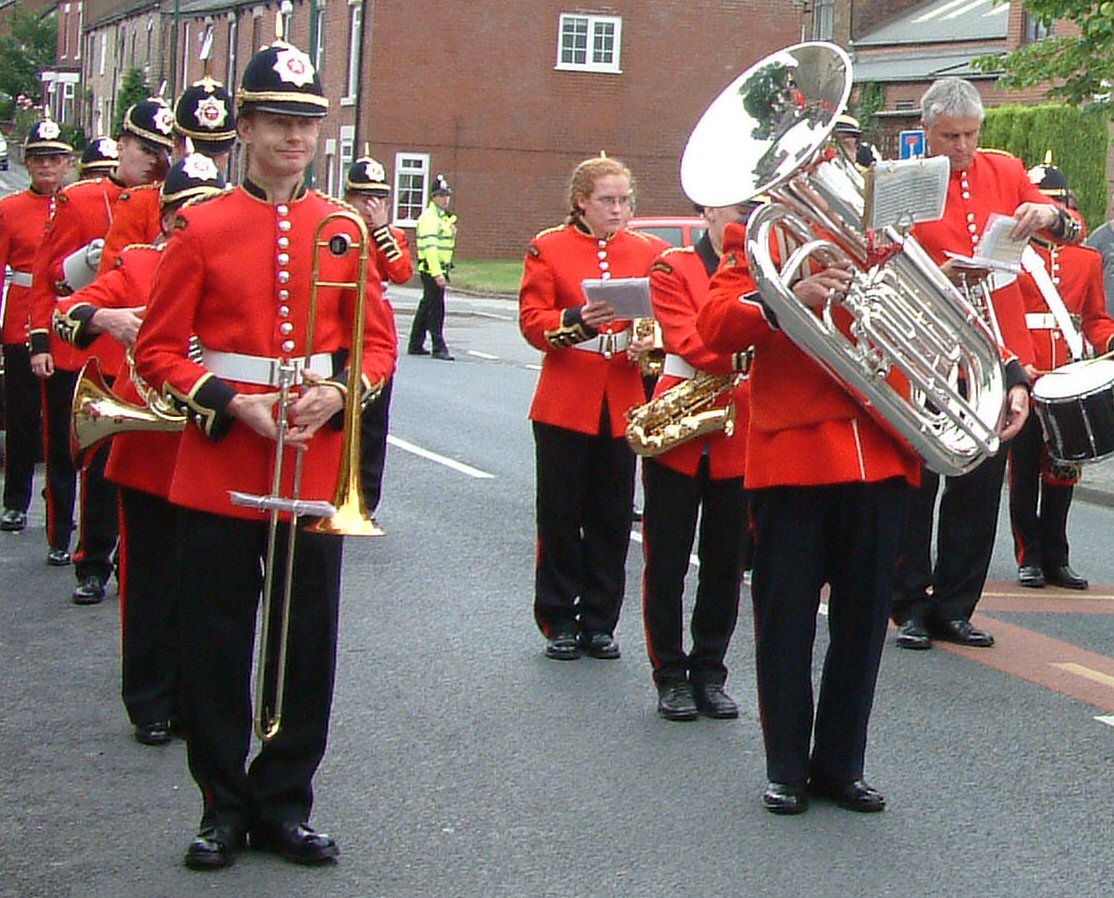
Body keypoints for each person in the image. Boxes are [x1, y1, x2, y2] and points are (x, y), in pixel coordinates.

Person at [133, 38, 397, 870]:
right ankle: (221, 804)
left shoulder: (344, 229)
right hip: (222, 463)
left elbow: (377, 347)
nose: (294, 138)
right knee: (215, 642)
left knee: (306, 642)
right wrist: (229, 402)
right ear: (243, 127)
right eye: (278, 121)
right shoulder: (201, 226)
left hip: (313, 465)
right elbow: (158, 352)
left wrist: (341, 392)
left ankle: (285, 800)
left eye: (307, 124)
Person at [893, 77, 1077, 651]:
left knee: (977, 484)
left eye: (971, 135)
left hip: (996, 344)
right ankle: (910, 603)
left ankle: (955, 604)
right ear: (927, 132)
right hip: (925, 345)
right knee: (918, 485)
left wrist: (1043, 217)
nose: (963, 148)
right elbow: (882, 260)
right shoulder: (905, 181)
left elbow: (1065, 228)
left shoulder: (1004, 168)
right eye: (950, 136)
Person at [53, 154, 228, 746]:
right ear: (168, 218)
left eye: (209, 209)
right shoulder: (138, 264)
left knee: (208, 589)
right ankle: (151, 699)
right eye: (185, 213)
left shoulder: (239, 267)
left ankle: (200, 700)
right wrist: (109, 316)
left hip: (213, 451)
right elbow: (65, 313)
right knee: (149, 582)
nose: (195, 223)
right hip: (150, 451)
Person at [518, 154, 663, 661]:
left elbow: (664, 320)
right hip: (566, 397)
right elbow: (534, 322)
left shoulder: (649, 250)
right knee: (560, 514)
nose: (618, 210)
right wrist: (579, 318)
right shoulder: (549, 247)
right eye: (607, 200)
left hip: (623, 394)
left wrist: (647, 343)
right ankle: (558, 617)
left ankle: (600, 620)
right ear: (581, 202)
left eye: (624, 200)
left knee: (612, 515)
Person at [28, 98, 173, 593]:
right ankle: (92, 561)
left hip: (159, 349)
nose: (146, 158)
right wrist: (41, 337)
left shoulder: (177, 197)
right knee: (96, 463)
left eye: (156, 149)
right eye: (140, 147)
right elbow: (48, 278)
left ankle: (140, 564)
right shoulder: (84, 199)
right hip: (100, 342)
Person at [641, 201, 752, 721]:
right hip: (680, 419)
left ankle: (710, 670)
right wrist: (754, 349)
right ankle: (669, 673)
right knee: (666, 557)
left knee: (725, 562)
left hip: (739, 425)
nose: (746, 214)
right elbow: (688, 338)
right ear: (709, 208)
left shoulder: (760, 263)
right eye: (738, 204)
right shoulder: (672, 265)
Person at [1009, 159, 1114, 591]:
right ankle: (1027, 555)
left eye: (1058, 204)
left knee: (1063, 471)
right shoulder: (1014, 258)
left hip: (1067, 375)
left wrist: (1109, 343)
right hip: (1028, 374)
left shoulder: (1086, 259)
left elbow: (1095, 319)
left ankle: (1057, 555)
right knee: (1025, 469)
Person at [0, 120, 72, 533]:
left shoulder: (76, 204)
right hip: (23, 320)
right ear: (27, 163)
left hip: (65, 319)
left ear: (66, 164)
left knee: (62, 422)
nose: (47, 166)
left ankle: (59, 504)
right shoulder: (10, 210)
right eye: (40, 159)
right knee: (23, 417)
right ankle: (16, 500)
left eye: (55, 159)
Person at [96, 78, 237, 276]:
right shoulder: (139, 206)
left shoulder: (242, 207)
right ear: (176, 147)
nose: (203, 163)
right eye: (194, 150)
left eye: (214, 155)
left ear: (228, 153)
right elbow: (115, 284)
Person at [344, 152, 412, 516]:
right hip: (340, 332)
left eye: (378, 199)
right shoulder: (337, 228)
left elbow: (400, 272)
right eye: (363, 198)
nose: (370, 207)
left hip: (375, 332)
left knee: (373, 425)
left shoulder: (392, 235)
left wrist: (381, 229)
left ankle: (365, 501)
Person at [408, 174, 457, 360]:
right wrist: (437, 274)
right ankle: (438, 346)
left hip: (438, 268)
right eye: (441, 195)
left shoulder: (442, 218)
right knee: (437, 308)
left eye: (447, 195)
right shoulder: (429, 218)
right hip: (431, 268)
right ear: (433, 197)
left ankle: (415, 342)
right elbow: (430, 248)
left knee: (427, 304)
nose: (445, 199)